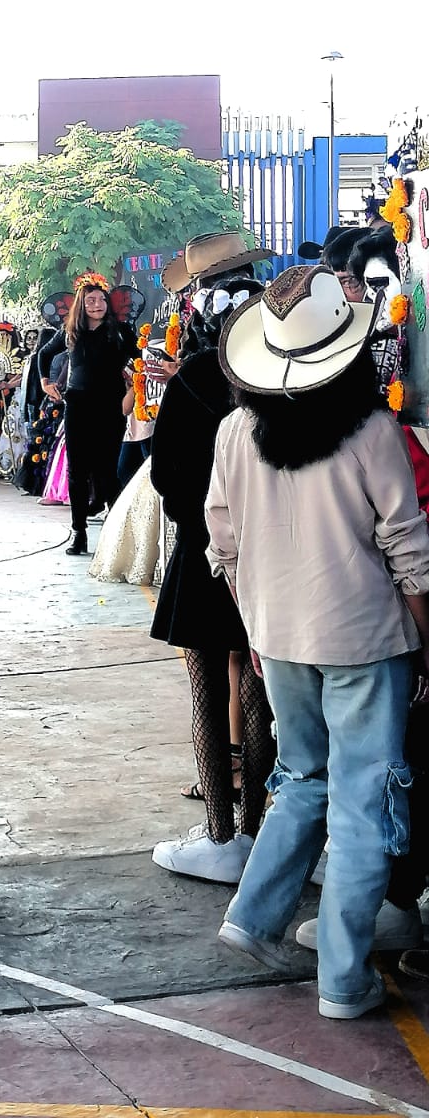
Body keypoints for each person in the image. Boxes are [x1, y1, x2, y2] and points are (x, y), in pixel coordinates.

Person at [207, 264, 429, 1020]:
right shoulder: (372, 432)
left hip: (281, 638)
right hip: (365, 640)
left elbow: (223, 546)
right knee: (364, 802)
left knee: (303, 779)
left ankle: (253, 916)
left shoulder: (234, 431)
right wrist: (426, 644)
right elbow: (409, 552)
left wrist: (261, 631)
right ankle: (342, 977)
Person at [148, 275, 274, 885]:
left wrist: (195, 520)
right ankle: (255, 831)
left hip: (203, 559)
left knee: (204, 690)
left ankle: (221, 838)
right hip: (270, 560)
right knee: (258, 693)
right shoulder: (286, 376)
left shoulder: (192, 377)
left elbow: (166, 476)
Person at [37, 278, 137, 556]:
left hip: (110, 407)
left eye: (102, 300)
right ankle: (78, 532)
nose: (98, 305)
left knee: (108, 471)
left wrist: (133, 388)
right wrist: (46, 381)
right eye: (91, 300)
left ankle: (117, 534)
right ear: (81, 304)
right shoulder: (69, 332)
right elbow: (43, 354)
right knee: (77, 471)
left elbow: (139, 360)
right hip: (78, 405)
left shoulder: (121, 331)